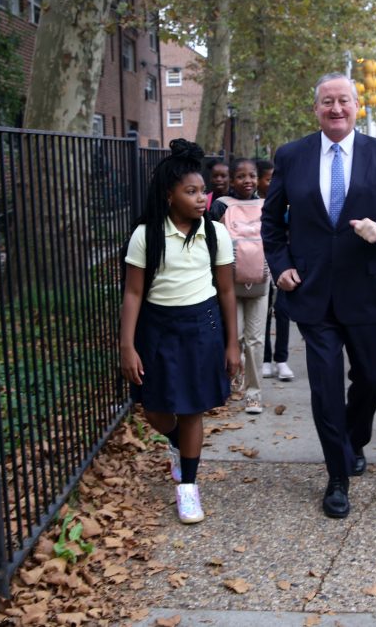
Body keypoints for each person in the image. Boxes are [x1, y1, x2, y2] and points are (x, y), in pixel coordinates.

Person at [261, 73, 376, 519]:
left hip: (366, 290)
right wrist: (281, 266)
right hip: (312, 292)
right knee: (325, 387)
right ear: (316, 108)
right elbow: (272, 223)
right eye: (327, 102)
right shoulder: (292, 156)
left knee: (368, 382)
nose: (336, 109)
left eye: (343, 101)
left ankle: (356, 440)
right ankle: (336, 476)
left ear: (357, 106)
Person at [119, 139, 241, 524]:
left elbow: (226, 290)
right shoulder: (146, 235)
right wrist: (126, 345)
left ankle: (187, 487)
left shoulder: (215, 234)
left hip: (201, 329)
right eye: (190, 191)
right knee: (154, 408)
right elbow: (134, 293)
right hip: (156, 329)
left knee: (191, 409)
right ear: (169, 195)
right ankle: (177, 444)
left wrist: (232, 343)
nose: (201, 197)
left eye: (203, 190)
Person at [210, 158, 270, 413]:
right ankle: (235, 379)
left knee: (256, 340)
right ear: (233, 180)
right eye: (241, 176)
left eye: (252, 176)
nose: (248, 181)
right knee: (236, 336)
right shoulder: (220, 206)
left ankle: (253, 394)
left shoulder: (268, 206)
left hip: (261, 281)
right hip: (228, 284)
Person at [257, 159, 295, 382]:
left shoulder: (287, 203)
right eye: (268, 179)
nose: (272, 183)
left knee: (282, 311)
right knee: (264, 315)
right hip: (256, 268)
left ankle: (282, 360)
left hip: (281, 266)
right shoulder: (250, 205)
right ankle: (265, 359)